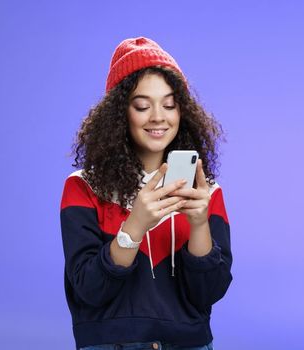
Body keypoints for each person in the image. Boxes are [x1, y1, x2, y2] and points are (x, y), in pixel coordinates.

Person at [59, 37, 232, 350]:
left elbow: (208, 294)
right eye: (142, 105)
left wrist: (199, 225)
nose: (158, 117)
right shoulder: (82, 187)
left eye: (169, 104)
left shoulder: (206, 191)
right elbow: (88, 289)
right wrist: (135, 225)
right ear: (119, 114)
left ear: (183, 112)